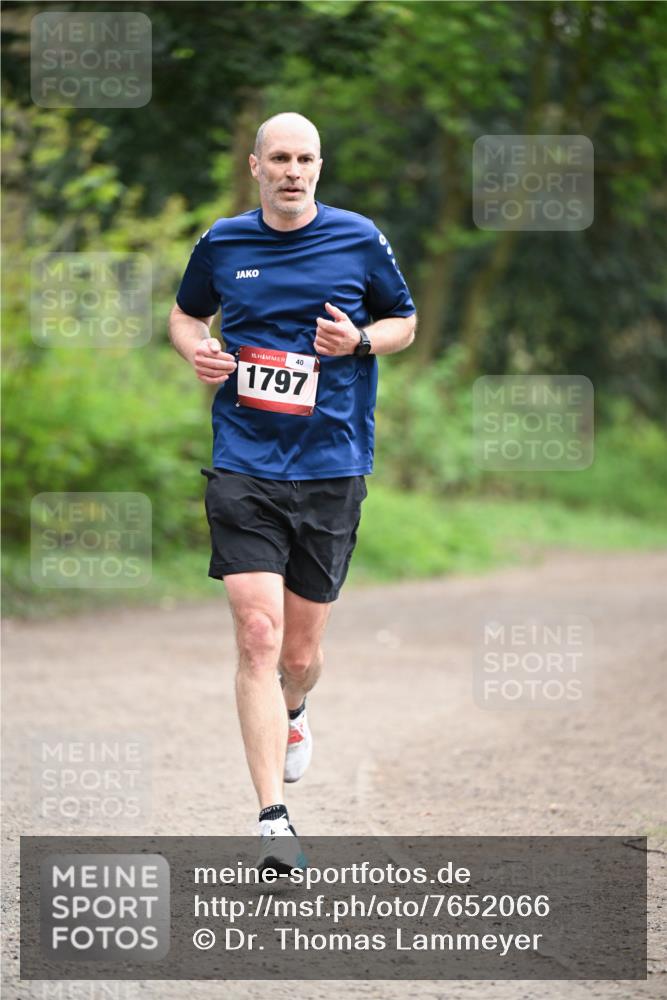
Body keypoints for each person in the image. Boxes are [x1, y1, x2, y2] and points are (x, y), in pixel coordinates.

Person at [169, 112, 416, 873]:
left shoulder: (356, 237)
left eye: (304, 158)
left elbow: (403, 319)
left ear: (318, 165)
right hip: (243, 461)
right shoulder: (223, 241)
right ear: (255, 165)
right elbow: (185, 314)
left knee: (300, 655)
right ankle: (272, 817)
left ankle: (297, 709)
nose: (292, 170)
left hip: (331, 466)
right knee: (257, 636)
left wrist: (362, 341)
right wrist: (199, 353)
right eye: (278, 157)